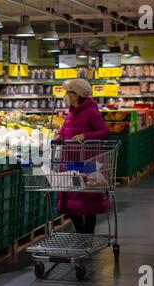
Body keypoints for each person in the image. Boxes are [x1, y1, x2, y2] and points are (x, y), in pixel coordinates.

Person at [53, 79, 110, 234]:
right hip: (71, 162)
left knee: (88, 199)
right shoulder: (71, 112)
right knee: (70, 200)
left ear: (76, 95)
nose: (65, 95)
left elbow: (105, 132)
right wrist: (59, 137)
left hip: (88, 162)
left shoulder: (91, 112)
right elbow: (64, 132)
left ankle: (87, 236)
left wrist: (86, 135)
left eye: (68, 92)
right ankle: (80, 233)